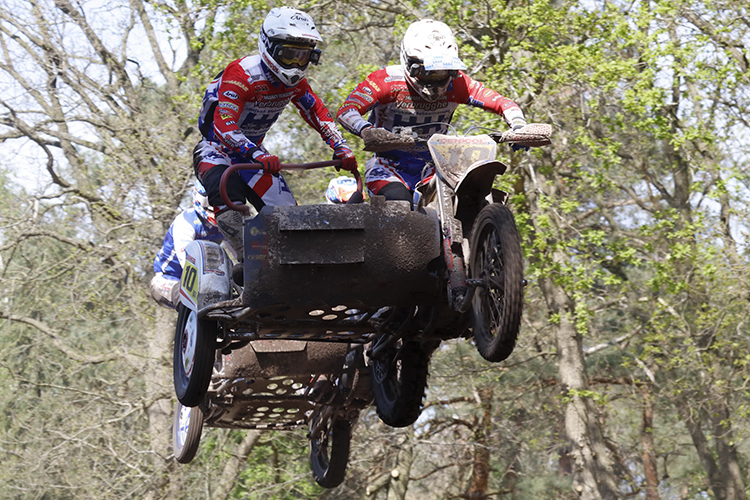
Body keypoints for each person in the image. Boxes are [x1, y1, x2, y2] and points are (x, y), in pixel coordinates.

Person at [193, 6, 358, 260]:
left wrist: (341, 146)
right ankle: (246, 267)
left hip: (253, 157)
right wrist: (254, 151)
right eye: (289, 54)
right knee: (232, 212)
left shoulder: (297, 84)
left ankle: (292, 271)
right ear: (269, 46)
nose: (295, 64)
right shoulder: (242, 74)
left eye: (303, 57)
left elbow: (317, 112)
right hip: (215, 151)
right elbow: (223, 124)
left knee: (291, 219)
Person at [336, 19, 528, 207]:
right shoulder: (386, 81)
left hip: (436, 167)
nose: (436, 80)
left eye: (443, 71)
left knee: (469, 200)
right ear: (410, 63)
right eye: (428, 72)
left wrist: (519, 126)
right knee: (399, 207)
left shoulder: (459, 83)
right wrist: (367, 130)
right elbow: (347, 110)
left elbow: (503, 103)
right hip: (388, 168)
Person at [150, 181, 224, 308]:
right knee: (192, 299)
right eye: (210, 201)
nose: (215, 206)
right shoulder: (185, 221)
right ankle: (193, 323)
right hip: (167, 279)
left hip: (203, 280)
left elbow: (240, 251)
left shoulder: (225, 222)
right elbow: (187, 260)